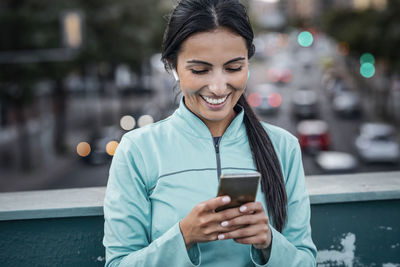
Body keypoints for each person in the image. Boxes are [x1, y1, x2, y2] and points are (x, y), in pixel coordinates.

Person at [103, 0, 317, 266]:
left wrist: (269, 243)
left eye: (234, 68)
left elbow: (306, 261)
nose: (218, 87)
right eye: (200, 70)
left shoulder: (284, 147)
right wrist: (183, 237)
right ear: (172, 66)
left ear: (248, 63)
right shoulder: (137, 150)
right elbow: (118, 263)